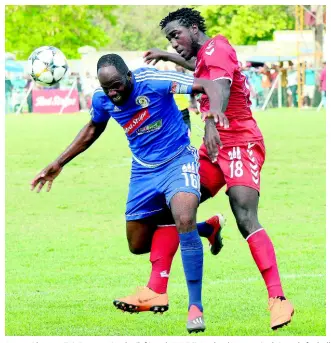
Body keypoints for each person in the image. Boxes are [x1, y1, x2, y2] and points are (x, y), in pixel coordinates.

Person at [30, 53, 229, 333]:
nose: (112, 93)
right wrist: (59, 162)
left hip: (178, 160)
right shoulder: (103, 100)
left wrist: (210, 121)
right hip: (143, 173)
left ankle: (195, 307)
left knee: (182, 217)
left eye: (116, 86)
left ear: (129, 77)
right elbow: (92, 129)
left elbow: (211, 86)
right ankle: (206, 228)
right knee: (137, 244)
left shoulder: (154, 81)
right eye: (106, 88)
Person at [132, 8, 294, 331]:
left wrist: (210, 119)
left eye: (176, 35)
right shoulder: (205, 54)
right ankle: (156, 288)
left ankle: (278, 299)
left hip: (240, 141)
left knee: (245, 215)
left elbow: (219, 86)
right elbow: (200, 71)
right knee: (176, 207)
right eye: (169, 39)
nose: (174, 43)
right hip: (213, 149)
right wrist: (167, 55)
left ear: (194, 28)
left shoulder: (218, 46)